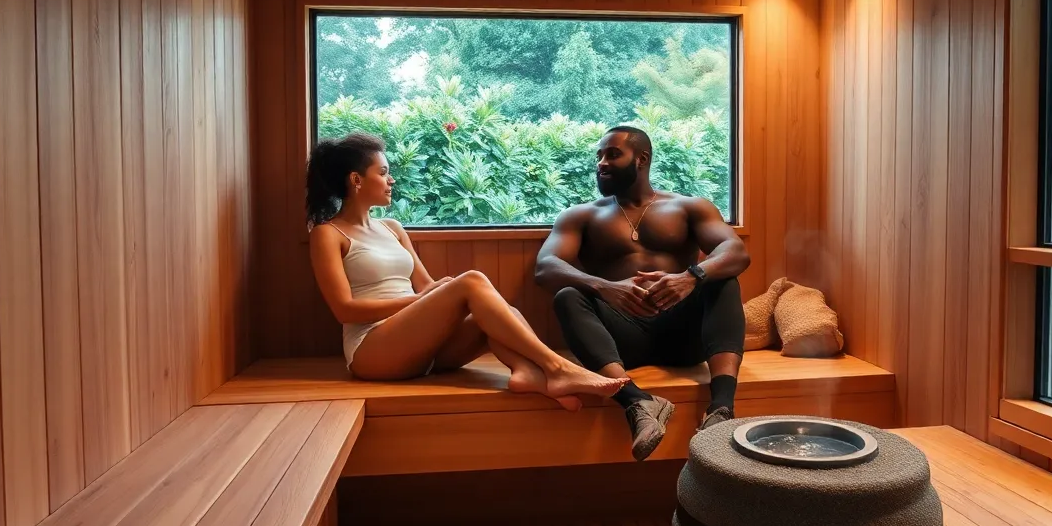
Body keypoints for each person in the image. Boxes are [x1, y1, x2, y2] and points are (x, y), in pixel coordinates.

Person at [306, 132, 628, 410]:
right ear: (356, 179)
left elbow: (426, 287)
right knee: (472, 281)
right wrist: (435, 297)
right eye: (384, 172)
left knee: (503, 315)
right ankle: (557, 367)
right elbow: (344, 309)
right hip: (373, 352)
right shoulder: (329, 234)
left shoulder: (392, 228)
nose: (392, 180)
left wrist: (442, 294)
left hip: (419, 346)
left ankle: (531, 376)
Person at [535, 126, 750, 461]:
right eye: (599, 156)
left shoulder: (689, 207)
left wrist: (689, 277)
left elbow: (736, 252)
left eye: (612, 154)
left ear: (642, 159)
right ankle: (636, 401)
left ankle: (721, 409)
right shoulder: (582, 215)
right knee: (567, 295)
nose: (601, 163)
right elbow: (545, 266)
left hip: (685, 337)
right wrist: (604, 287)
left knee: (723, 279)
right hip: (621, 340)